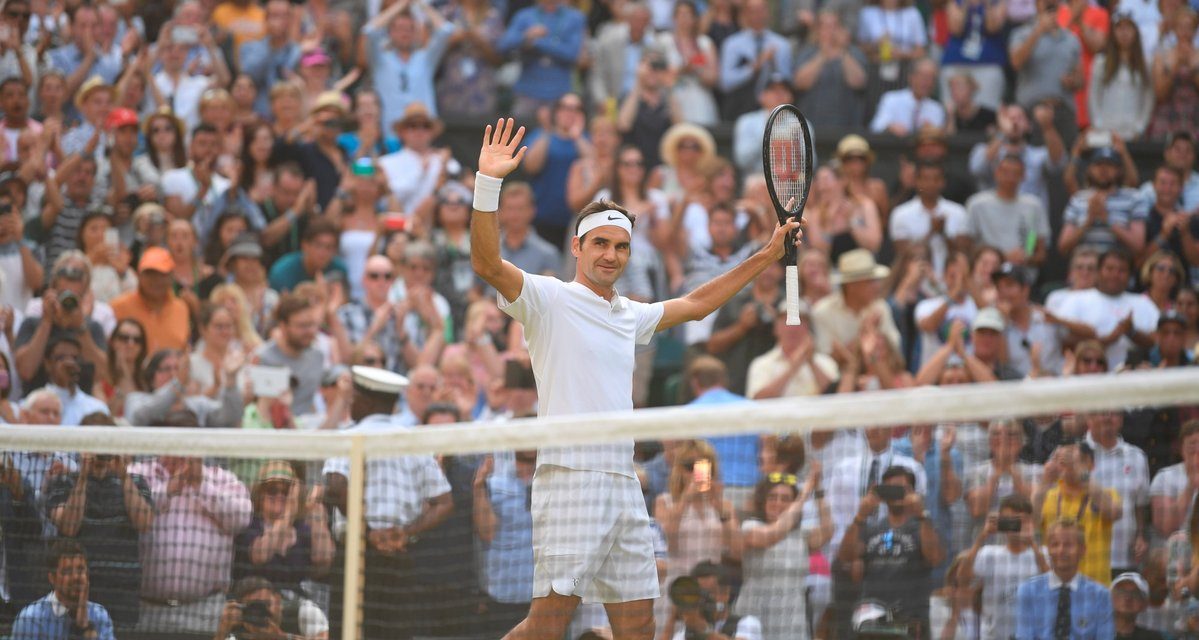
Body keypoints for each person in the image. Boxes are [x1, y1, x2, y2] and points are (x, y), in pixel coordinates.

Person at [469, 118, 801, 639]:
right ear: (577, 249)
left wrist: (768, 253)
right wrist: (488, 184)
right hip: (569, 479)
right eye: (599, 244)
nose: (610, 255)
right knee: (548, 622)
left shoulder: (629, 313)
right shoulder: (547, 298)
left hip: (623, 484)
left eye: (620, 247)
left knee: (639, 623)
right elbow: (487, 262)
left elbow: (695, 304)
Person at [322, 367, 452, 640]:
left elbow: (335, 486)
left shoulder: (348, 436)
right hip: (399, 558)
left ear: (367, 402)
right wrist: (405, 533)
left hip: (356, 558)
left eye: (354, 398)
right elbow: (444, 501)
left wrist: (369, 533)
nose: (351, 403)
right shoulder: (414, 442)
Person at [46, 414, 152, 630]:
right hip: (77, 589)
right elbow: (68, 527)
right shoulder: (64, 482)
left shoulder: (136, 482)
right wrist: (83, 476)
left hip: (123, 589)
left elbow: (144, 523)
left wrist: (123, 476)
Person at [838, 465, 944, 637]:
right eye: (890, 488)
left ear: (912, 492)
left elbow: (935, 558)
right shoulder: (870, 527)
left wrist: (922, 514)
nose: (896, 494)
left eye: (902, 488)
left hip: (911, 616)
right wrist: (860, 517)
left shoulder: (924, 527)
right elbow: (845, 556)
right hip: (873, 617)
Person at [735, 469, 832, 639]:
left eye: (785, 498)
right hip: (755, 619)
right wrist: (804, 494)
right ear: (763, 502)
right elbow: (772, 535)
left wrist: (819, 491)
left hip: (791, 624)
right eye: (772, 497)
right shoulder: (750, 527)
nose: (778, 503)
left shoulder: (802, 534)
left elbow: (828, 530)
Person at [960, 495, 1048, 640]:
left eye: (1022, 520)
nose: (1016, 525)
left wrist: (1032, 542)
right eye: (1010, 520)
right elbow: (962, 580)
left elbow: (1055, 585)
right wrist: (982, 536)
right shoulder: (988, 553)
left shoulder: (1042, 554)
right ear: (1001, 522)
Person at [1034, 441, 1123, 583]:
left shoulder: (1105, 494)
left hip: (1094, 586)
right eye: (1062, 459)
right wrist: (1045, 481)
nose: (1069, 464)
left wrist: (1081, 473)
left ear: (1091, 464)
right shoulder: (1048, 495)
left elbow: (1115, 512)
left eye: (1077, 459)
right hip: (1055, 585)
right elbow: (1030, 523)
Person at [1055, 249, 1159, 369]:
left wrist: (1132, 332)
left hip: (1134, 380)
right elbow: (1065, 344)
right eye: (1109, 269)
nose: (1115, 275)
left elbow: (1157, 343)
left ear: (1130, 275)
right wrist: (1109, 339)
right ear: (1098, 271)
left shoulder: (1143, 303)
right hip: (1087, 381)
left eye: (1122, 270)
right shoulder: (1076, 300)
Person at [1015, 520, 1115, 639]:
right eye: (1055, 544)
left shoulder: (1100, 595)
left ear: (1082, 550)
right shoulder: (1028, 591)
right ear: (1048, 549)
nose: (1061, 550)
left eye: (1068, 545)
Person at [496, 0, 586, 122]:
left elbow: (572, 54)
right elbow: (503, 45)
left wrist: (537, 42)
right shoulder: (524, 15)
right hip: (527, 91)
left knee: (557, 136)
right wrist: (526, 36)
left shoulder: (574, 18)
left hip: (559, 93)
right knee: (518, 134)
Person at [11, 540, 115, 640]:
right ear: (52, 578)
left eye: (80, 569)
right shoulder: (30, 619)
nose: (75, 576)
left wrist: (85, 627)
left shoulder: (99, 615)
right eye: (67, 571)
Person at [965, 154, 1052, 273]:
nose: (1010, 178)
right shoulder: (977, 204)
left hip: (1023, 276)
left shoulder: (1034, 205)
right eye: (1005, 172)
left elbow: (1040, 251)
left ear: (1024, 176)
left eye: (1015, 173)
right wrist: (1001, 258)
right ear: (996, 173)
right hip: (988, 274)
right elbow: (968, 248)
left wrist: (1026, 257)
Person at [1059, 146, 1148, 257]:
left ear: (1119, 170)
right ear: (1090, 169)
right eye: (1098, 165)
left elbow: (1138, 247)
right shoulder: (1077, 199)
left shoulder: (1134, 198)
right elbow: (1063, 247)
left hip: (1117, 269)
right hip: (1085, 269)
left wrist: (1107, 219)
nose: (1103, 169)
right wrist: (1088, 221)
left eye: (1110, 165)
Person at [811, 249, 902, 356]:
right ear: (851, 286)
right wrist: (865, 332)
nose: (877, 286)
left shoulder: (880, 307)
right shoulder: (822, 312)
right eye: (870, 281)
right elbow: (827, 358)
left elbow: (895, 349)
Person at [718, 0, 793, 120]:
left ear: (768, 12)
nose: (757, 15)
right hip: (739, 109)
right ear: (745, 14)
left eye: (761, 10)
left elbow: (787, 82)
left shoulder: (782, 45)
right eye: (753, 11)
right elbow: (725, 83)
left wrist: (774, 65)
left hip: (774, 113)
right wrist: (753, 67)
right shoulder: (732, 44)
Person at [793, 11, 868, 128]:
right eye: (826, 27)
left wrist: (843, 51)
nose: (831, 31)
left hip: (848, 125)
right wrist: (822, 55)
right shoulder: (807, 53)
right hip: (811, 125)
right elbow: (800, 83)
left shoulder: (853, 52)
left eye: (835, 26)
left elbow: (858, 83)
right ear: (818, 31)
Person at [110, 247, 192, 355]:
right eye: (150, 274)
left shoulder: (181, 309)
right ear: (139, 275)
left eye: (162, 274)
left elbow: (185, 350)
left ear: (171, 276)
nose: (156, 280)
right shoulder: (117, 307)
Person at [1090, 12, 1153, 139]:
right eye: (1119, 28)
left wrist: (1140, 128)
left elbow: (1148, 99)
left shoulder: (1145, 64)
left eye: (1128, 27)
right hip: (1106, 131)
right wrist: (1099, 125)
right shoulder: (1100, 63)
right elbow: (1093, 97)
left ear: (1136, 31)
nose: (1124, 32)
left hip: (1132, 133)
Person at [213, 576, 329, 640]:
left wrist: (282, 638)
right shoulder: (238, 635)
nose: (262, 612)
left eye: (267, 604)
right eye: (254, 607)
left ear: (278, 600)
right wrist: (221, 633)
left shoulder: (305, 612)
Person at [672, 562, 763, 640]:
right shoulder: (685, 633)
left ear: (726, 593)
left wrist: (704, 630)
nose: (703, 599)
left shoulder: (747, 623)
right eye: (699, 594)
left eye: (709, 592)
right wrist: (672, 618)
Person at [869, 58, 947, 135]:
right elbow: (876, 127)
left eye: (931, 78)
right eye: (922, 76)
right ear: (911, 77)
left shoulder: (937, 109)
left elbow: (939, 137)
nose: (926, 82)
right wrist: (889, 127)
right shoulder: (891, 99)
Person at [42, 336, 108, 425]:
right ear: (48, 364)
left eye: (75, 358)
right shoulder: (32, 406)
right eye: (61, 358)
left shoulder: (97, 408)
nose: (70, 363)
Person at [1110, 572, 1166, 639]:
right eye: (1121, 592)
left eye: (1135, 593)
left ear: (1144, 604)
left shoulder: (1153, 637)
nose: (1127, 597)